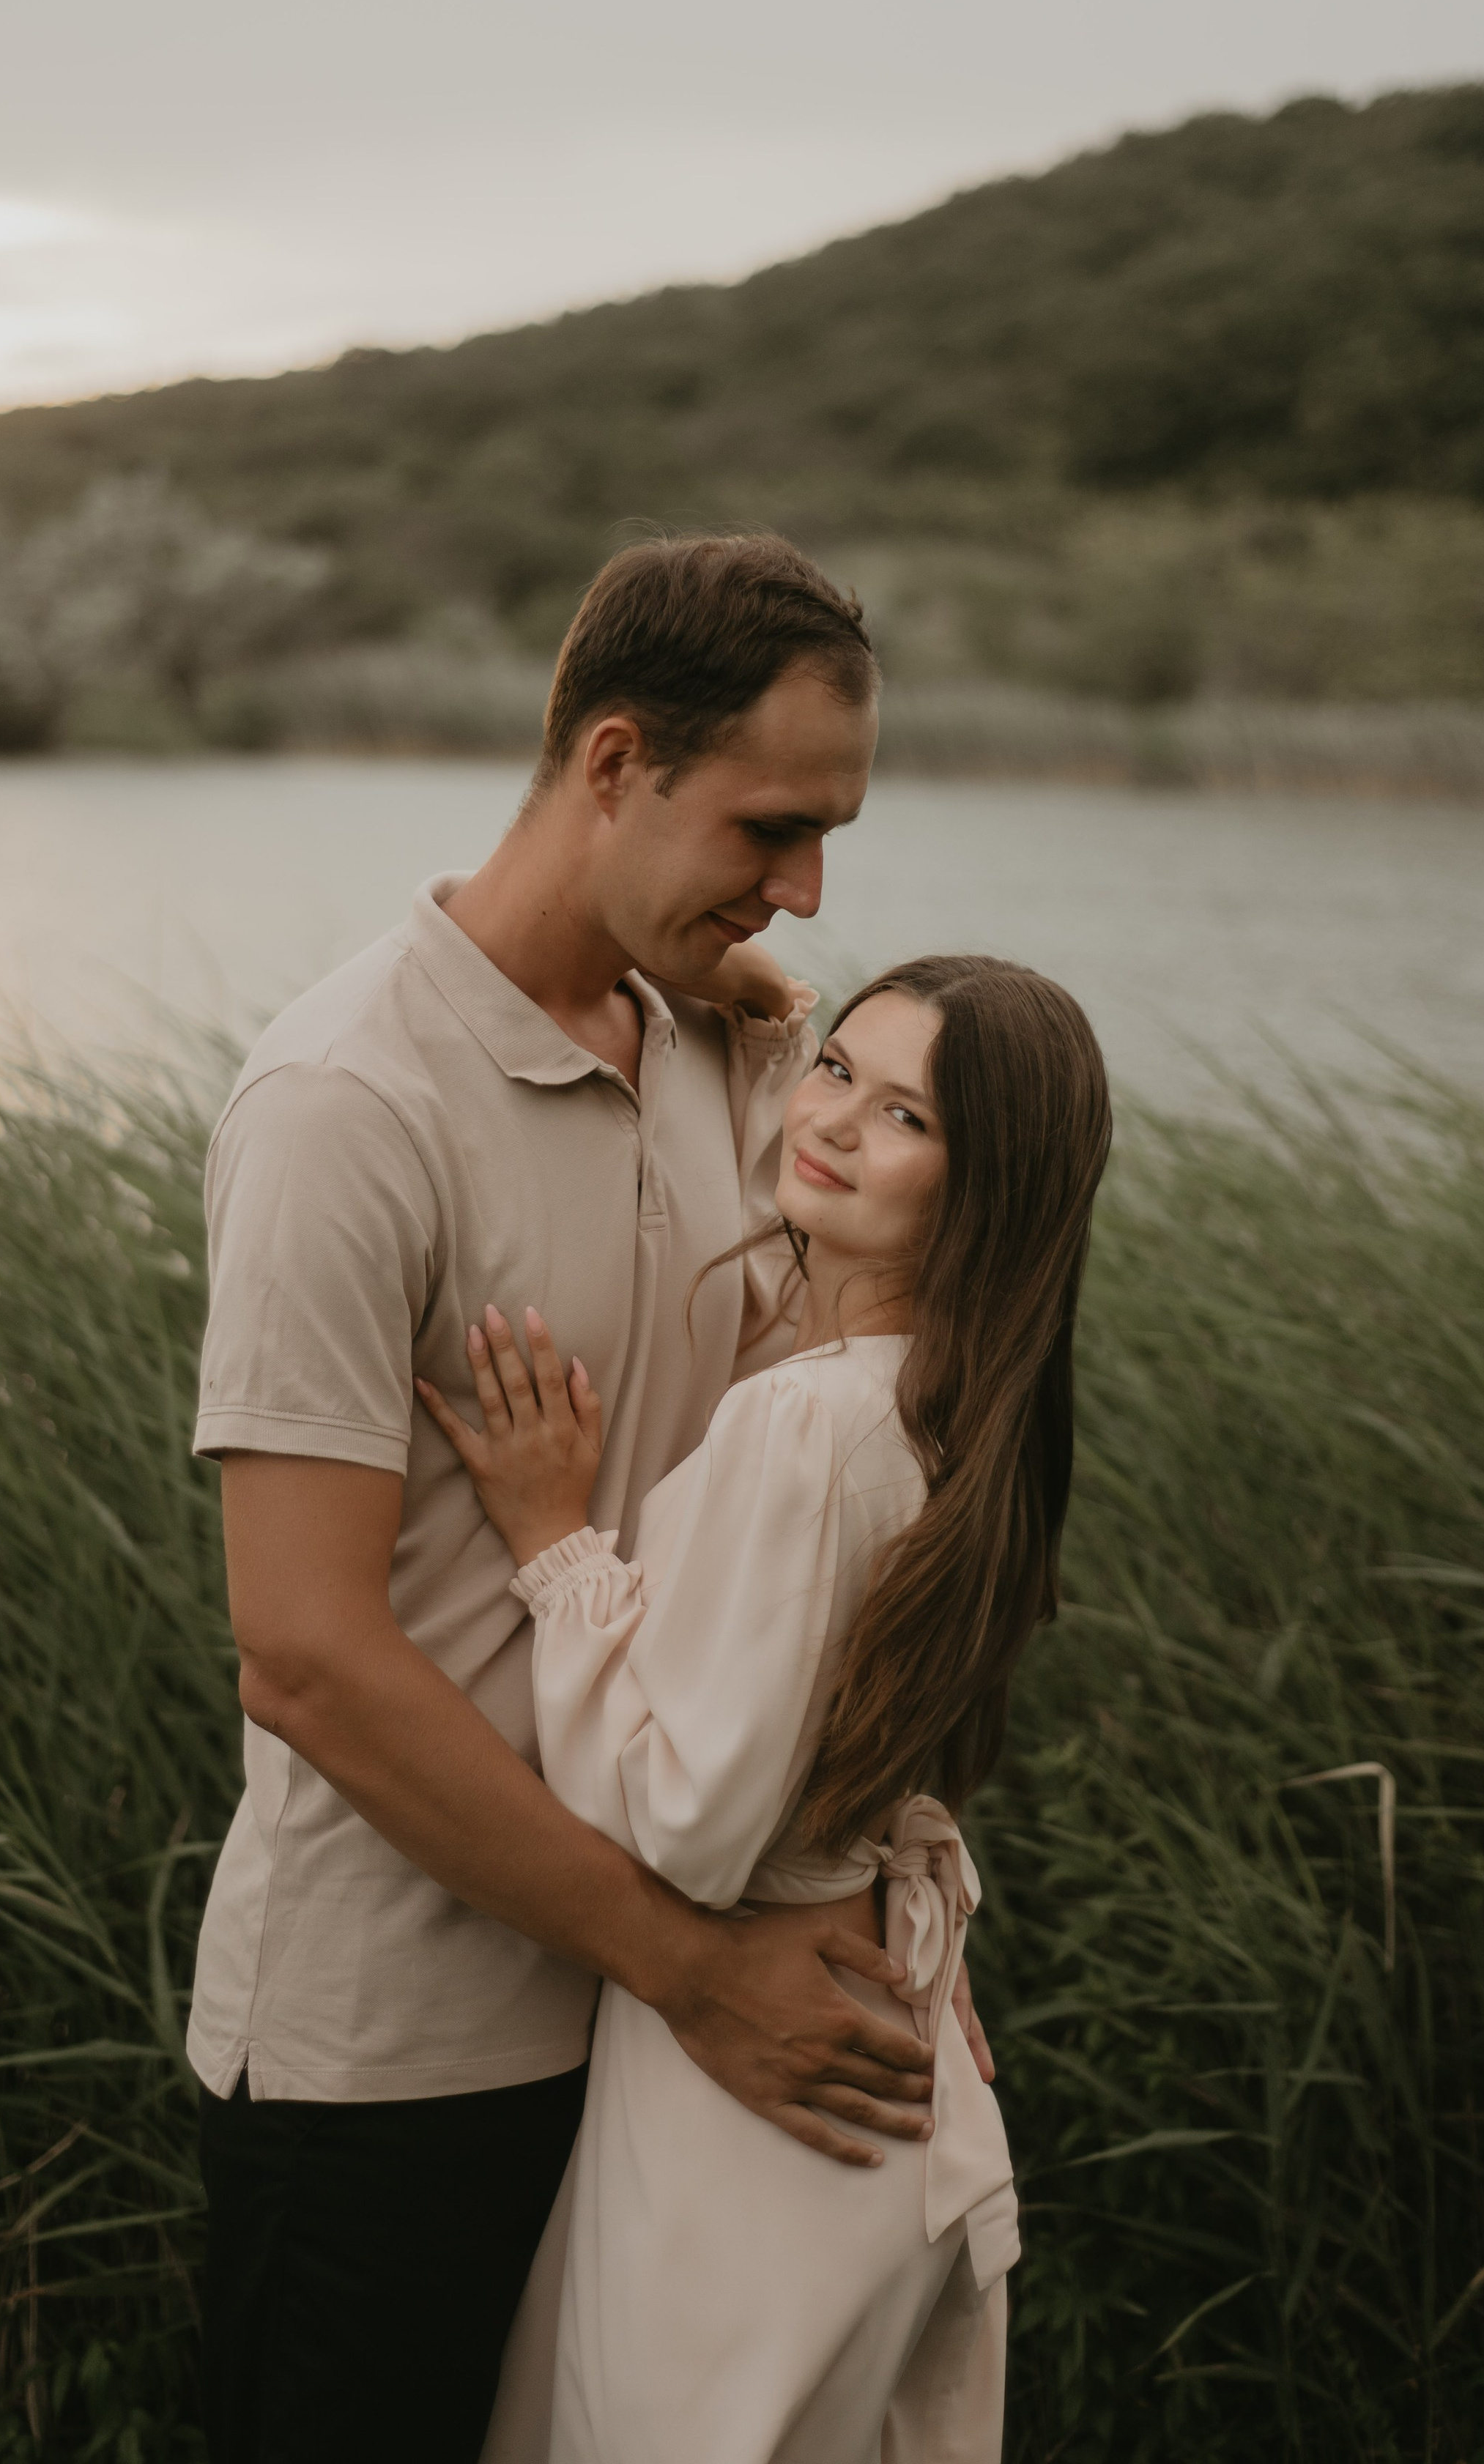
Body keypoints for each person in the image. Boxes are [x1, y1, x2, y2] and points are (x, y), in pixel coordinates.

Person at [187, 535, 954, 2463]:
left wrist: (768, 1013)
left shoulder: (730, 1046)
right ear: (614, 765)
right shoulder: (346, 1110)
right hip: (401, 2061)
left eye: (832, 834)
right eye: (775, 827)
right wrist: (693, 1968)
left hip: (643, 2052)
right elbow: (307, 1662)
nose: (809, 889)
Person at [420, 954, 1113, 2463]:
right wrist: (757, 1034)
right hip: (862, 2089)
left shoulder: (807, 1428)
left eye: (907, 1115)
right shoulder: (945, 1404)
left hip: (753, 2120)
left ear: (982, 1189)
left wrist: (557, 1548)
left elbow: (682, 1825)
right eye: (835, 1072)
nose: (837, 1122)